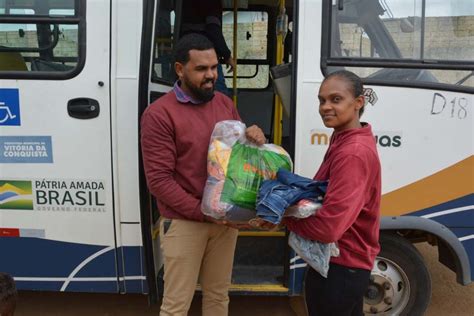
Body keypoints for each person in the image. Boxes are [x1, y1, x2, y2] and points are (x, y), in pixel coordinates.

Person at [140, 33, 265, 316]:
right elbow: (159, 182)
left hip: (224, 220)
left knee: (218, 297)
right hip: (185, 221)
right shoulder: (159, 115)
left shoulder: (223, 103)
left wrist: (254, 137)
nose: (210, 75)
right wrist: (205, 212)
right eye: (201, 69)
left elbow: (236, 156)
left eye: (214, 67)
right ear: (180, 69)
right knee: (176, 306)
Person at [285, 70, 381, 315]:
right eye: (321, 100)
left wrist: (282, 219)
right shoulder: (344, 138)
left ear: (358, 102)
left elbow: (330, 228)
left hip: (341, 267)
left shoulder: (352, 152)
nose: (325, 107)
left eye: (335, 99)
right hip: (340, 264)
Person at [181, 0, 235, 96]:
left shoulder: (185, 4)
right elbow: (213, 30)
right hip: (204, 55)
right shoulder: (212, 3)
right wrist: (228, 56)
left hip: (185, 53)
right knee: (219, 94)